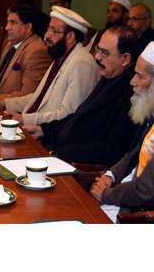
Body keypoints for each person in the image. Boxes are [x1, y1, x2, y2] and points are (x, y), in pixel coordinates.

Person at [22, 25, 139, 166]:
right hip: (58, 152)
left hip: (75, 166)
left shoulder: (132, 94)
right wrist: (43, 129)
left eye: (105, 53)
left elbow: (112, 149)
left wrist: (60, 155)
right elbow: (78, 117)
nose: (97, 57)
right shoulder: (108, 78)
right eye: (98, 50)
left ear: (125, 59)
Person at [0, 6, 100, 125]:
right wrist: (4, 103)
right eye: (48, 29)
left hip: (47, 137)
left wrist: (25, 119)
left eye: (54, 31)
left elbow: (68, 115)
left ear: (70, 37)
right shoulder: (61, 58)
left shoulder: (81, 64)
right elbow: (41, 97)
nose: (47, 35)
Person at [90, 41, 154, 222]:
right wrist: (109, 176)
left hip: (131, 215)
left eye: (140, 76)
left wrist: (106, 194)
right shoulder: (152, 116)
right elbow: (133, 156)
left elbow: (144, 190)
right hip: (118, 201)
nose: (132, 82)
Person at [0, 4, 51, 100]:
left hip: (8, 111)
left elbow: (28, 95)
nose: (7, 27)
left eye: (13, 22)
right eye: (8, 22)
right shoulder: (11, 45)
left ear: (28, 27)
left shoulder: (37, 51)